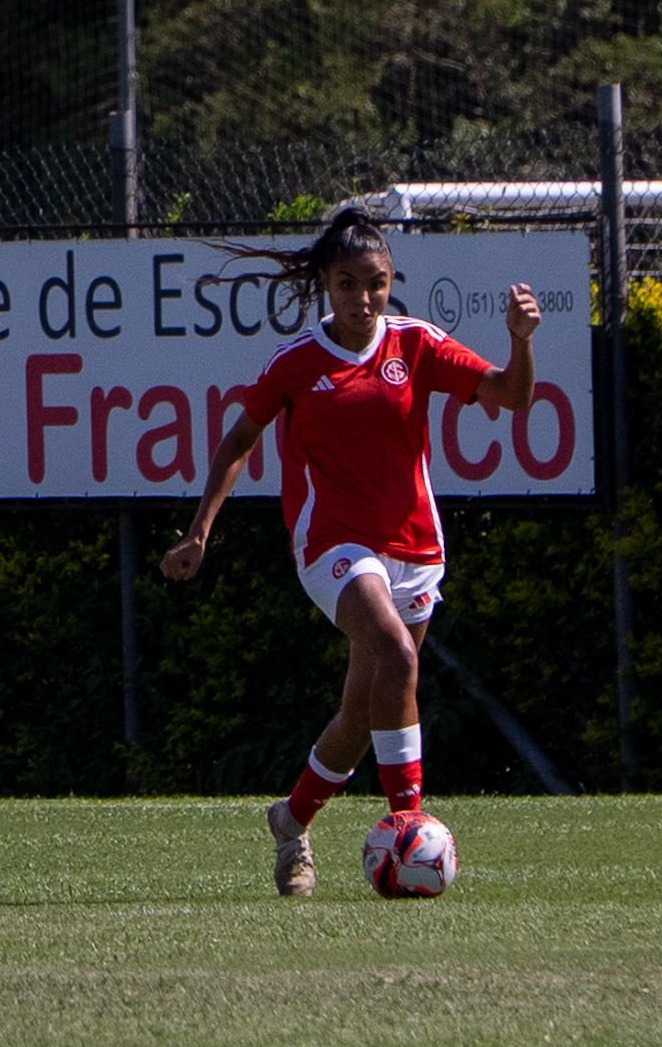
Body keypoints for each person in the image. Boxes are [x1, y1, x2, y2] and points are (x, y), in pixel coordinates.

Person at [160, 209, 541, 895]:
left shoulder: (416, 344)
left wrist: (520, 343)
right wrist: (199, 531)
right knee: (397, 655)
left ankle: (291, 820)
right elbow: (239, 440)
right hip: (331, 542)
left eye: (376, 283)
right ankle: (407, 823)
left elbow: (511, 396)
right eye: (347, 284)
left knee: (364, 715)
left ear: (390, 282)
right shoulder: (297, 363)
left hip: (415, 547)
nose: (363, 299)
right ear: (325, 287)